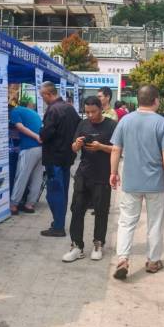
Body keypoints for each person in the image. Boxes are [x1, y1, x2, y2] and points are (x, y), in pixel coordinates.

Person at [110, 85, 164, 279]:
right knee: (155, 223)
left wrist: (113, 172)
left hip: (131, 181)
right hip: (155, 183)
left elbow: (116, 149)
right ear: (156, 100)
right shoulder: (162, 123)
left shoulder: (125, 121)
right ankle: (153, 261)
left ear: (138, 100)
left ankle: (123, 259)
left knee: (126, 221)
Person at [63, 96, 116, 262]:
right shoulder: (83, 124)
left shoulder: (112, 125)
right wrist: (77, 145)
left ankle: (98, 244)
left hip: (103, 175)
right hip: (83, 174)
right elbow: (73, 147)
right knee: (77, 209)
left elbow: (118, 149)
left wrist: (101, 147)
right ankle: (76, 246)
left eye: (93, 112)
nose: (90, 115)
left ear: (101, 109)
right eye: (87, 112)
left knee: (101, 211)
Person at [39, 81, 81, 237]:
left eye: (42, 96)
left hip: (54, 157)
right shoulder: (70, 108)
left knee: (54, 193)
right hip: (67, 157)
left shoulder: (53, 110)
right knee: (62, 192)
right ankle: (59, 223)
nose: (42, 99)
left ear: (48, 94)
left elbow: (46, 133)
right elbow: (78, 127)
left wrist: (41, 132)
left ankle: (58, 226)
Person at [9, 102, 43, 215]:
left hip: (29, 147)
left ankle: (13, 205)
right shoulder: (30, 112)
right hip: (42, 148)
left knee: (21, 176)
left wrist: (36, 137)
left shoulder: (14, 112)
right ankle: (30, 205)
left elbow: (20, 127)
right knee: (37, 177)